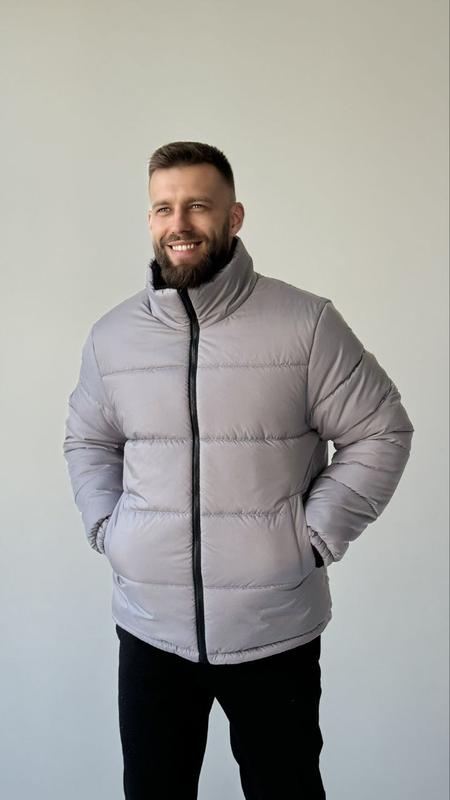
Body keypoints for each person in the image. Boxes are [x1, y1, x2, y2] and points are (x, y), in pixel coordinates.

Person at [63, 140, 414, 799]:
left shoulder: (305, 325)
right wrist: (111, 529)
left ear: (234, 216)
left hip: (272, 628)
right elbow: (88, 439)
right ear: (150, 219)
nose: (180, 223)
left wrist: (310, 538)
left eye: (198, 205)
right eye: (164, 207)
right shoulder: (113, 337)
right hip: (150, 626)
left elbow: (381, 430)